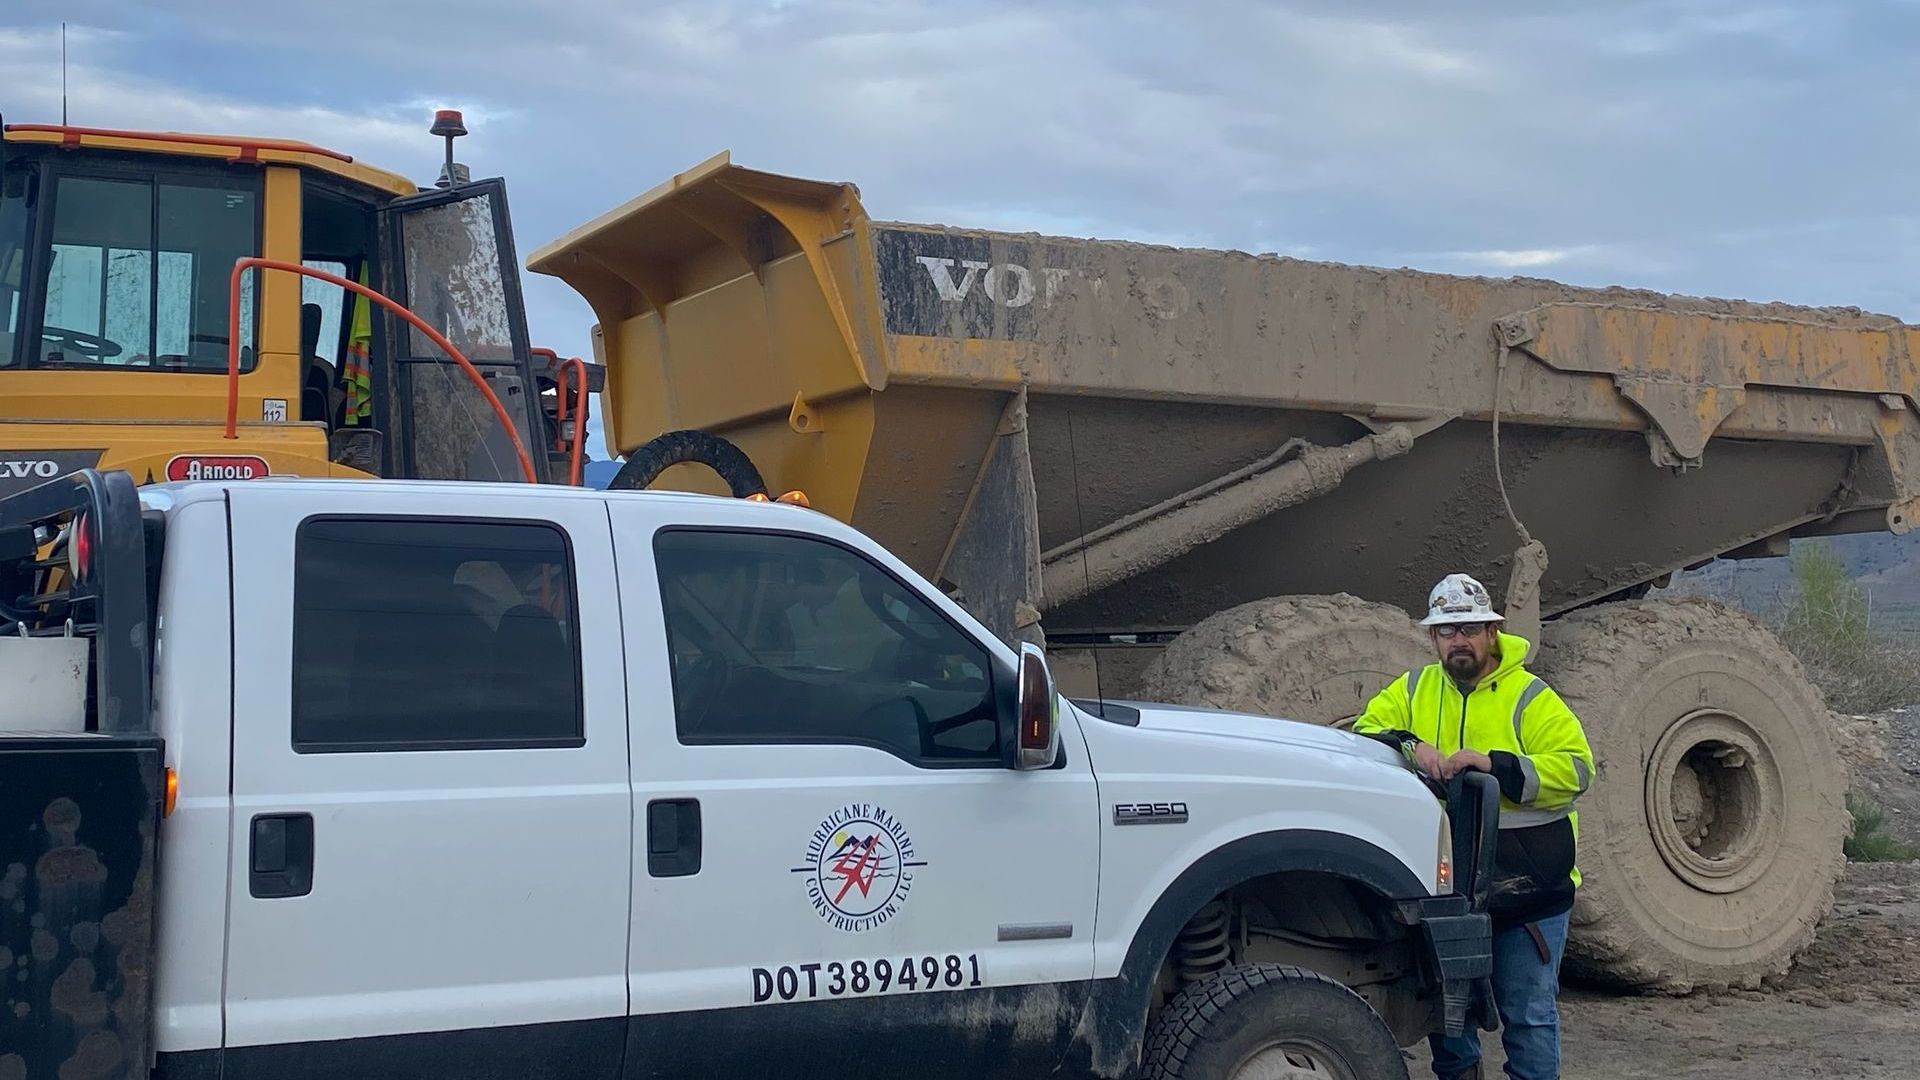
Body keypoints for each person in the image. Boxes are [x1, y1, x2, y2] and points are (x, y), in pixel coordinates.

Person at [1354, 573, 1595, 1080]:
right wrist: (1412, 746)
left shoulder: (1531, 697)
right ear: (1433, 639)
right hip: (1447, 887)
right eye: (1446, 631)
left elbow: (1577, 770)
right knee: (1449, 1016)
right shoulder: (1414, 688)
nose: (1458, 640)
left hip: (1529, 888)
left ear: (1492, 631)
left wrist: (1495, 766)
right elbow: (1366, 730)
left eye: (1468, 628)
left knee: (1528, 1018)